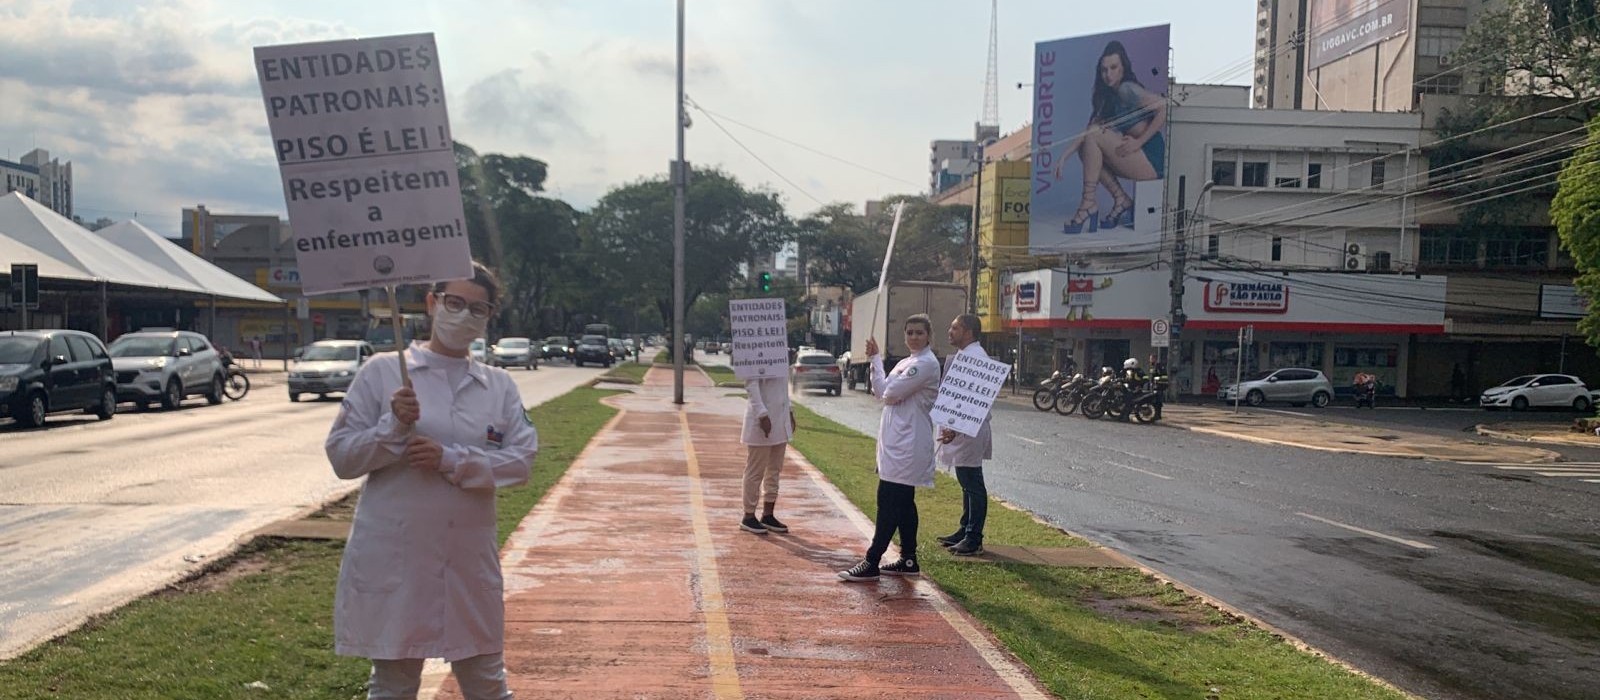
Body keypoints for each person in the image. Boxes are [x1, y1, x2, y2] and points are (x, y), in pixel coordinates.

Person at [325, 262, 537, 700]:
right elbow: (342, 458)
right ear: (431, 302)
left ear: (489, 317)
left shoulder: (498, 386)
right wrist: (391, 428)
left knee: (486, 682)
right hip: (398, 557)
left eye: (478, 309)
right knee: (394, 684)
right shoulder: (384, 373)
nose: (464, 316)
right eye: (455, 303)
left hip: (467, 558)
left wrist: (452, 461)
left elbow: (521, 460)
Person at [839, 314, 942, 582]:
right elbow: (880, 390)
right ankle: (909, 558)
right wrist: (875, 359)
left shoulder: (926, 364)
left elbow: (890, 394)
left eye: (919, 333)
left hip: (909, 444)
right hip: (895, 443)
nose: (913, 337)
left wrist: (885, 384)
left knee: (889, 501)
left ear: (929, 335)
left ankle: (872, 560)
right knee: (904, 503)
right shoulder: (906, 363)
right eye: (909, 332)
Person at [1054, 40, 1167, 233]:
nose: (1109, 74)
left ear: (1123, 67)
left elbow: (1163, 107)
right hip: (1136, 155)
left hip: (1152, 157)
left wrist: (1139, 142)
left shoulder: (1127, 89)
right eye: (1104, 69)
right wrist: (1065, 155)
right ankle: (1120, 198)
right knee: (1087, 146)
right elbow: (1088, 131)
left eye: (1114, 67)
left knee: (1095, 137)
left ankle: (1088, 203)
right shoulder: (1108, 99)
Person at [935, 314, 993, 557]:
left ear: (968, 331)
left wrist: (955, 428)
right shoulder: (965, 356)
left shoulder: (977, 358)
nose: (950, 331)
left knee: (973, 483)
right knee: (966, 483)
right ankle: (964, 529)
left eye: (954, 327)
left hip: (970, 430)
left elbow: (975, 401)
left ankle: (973, 537)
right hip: (962, 429)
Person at [740, 362, 796, 535]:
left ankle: (768, 514)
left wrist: (790, 412)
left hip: (780, 419)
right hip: (761, 421)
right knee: (756, 470)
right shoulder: (755, 352)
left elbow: (783, 388)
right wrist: (762, 414)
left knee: (774, 470)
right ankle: (749, 516)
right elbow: (751, 384)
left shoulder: (779, 352)